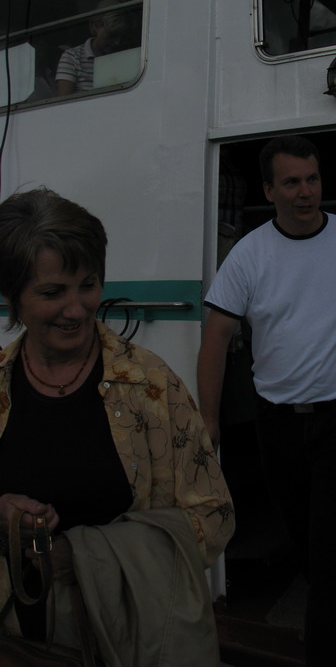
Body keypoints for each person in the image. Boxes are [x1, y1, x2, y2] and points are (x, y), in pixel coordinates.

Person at [0, 188, 234, 666]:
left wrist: (85, 556)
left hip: (130, 640)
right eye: (52, 292)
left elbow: (213, 516)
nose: (76, 308)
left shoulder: (149, 384)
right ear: (12, 298)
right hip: (15, 639)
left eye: (88, 284)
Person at [197, 135, 336, 667]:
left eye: (312, 179)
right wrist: (208, 421)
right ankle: (329, 605)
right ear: (269, 190)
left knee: (334, 548)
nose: (305, 192)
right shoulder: (249, 254)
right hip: (279, 423)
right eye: (291, 182)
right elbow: (216, 338)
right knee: (303, 535)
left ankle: (324, 647)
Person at [55, 0, 132, 95]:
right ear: (96, 27)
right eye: (112, 35)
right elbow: (64, 100)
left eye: (122, 36)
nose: (117, 42)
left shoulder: (126, 56)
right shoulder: (72, 57)